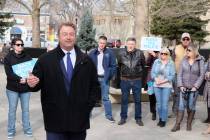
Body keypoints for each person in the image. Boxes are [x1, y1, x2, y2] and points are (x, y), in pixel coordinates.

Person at [27, 22, 101, 140]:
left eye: (71, 34)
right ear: (58, 36)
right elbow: (35, 84)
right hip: (54, 120)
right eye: (64, 34)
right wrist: (32, 83)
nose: (68, 37)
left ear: (75, 36)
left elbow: (95, 87)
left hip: (78, 121)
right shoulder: (45, 60)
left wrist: (87, 107)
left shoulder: (86, 61)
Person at [171, 44, 205, 132]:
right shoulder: (184, 60)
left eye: (189, 50)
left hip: (194, 89)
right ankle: (177, 124)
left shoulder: (200, 60)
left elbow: (201, 75)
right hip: (184, 87)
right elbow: (179, 74)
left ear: (194, 51)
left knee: (191, 105)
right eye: (187, 50)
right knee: (181, 106)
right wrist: (181, 85)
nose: (187, 52)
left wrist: (195, 86)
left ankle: (189, 123)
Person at [4, 38, 33, 139]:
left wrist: (28, 77)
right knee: (12, 110)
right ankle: (11, 130)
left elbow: (31, 70)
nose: (20, 46)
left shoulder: (28, 57)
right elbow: (9, 74)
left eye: (22, 44)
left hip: (25, 88)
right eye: (18, 44)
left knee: (26, 110)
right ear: (13, 46)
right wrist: (20, 79)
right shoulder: (8, 58)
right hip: (12, 89)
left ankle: (27, 129)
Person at [117, 37, 145, 126]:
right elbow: (119, 65)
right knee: (124, 100)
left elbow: (143, 65)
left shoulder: (140, 53)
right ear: (126, 44)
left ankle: (138, 118)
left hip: (137, 80)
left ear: (135, 45)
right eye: (129, 44)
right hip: (125, 80)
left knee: (138, 100)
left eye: (132, 44)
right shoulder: (121, 54)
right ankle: (123, 118)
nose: (130, 46)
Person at [89, 35, 117, 122]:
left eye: (104, 43)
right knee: (91, 97)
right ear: (98, 42)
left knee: (105, 98)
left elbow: (113, 66)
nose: (102, 45)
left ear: (106, 44)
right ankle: (87, 115)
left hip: (105, 78)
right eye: (101, 43)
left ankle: (109, 115)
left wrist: (109, 75)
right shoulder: (92, 53)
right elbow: (87, 66)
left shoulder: (109, 53)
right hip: (94, 79)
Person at [151, 48, 175, 127]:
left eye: (165, 54)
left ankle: (163, 120)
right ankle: (160, 118)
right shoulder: (156, 62)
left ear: (168, 55)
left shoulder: (171, 63)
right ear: (159, 54)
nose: (163, 55)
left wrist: (163, 81)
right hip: (156, 85)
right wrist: (156, 79)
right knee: (159, 104)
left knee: (164, 104)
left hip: (166, 86)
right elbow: (152, 73)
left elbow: (172, 75)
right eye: (162, 53)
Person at [171, 32, 191, 117]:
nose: (185, 40)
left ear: (190, 40)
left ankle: (189, 113)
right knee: (176, 93)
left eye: (187, 39)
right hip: (177, 74)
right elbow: (171, 61)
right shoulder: (176, 48)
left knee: (189, 95)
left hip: (188, 76)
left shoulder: (192, 48)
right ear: (181, 40)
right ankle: (174, 112)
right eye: (184, 39)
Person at [146, 51, 159, 121]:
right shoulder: (149, 55)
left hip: (159, 79)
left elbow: (159, 63)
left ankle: (158, 111)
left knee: (158, 96)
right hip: (150, 79)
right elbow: (147, 63)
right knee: (151, 95)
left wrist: (155, 56)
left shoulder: (161, 54)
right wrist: (150, 55)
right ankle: (153, 111)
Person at [203, 56, 210, 123]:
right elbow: (204, 70)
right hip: (208, 84)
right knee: (208, 101)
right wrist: (206, 74)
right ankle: (209, 118)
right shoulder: (208, 61)